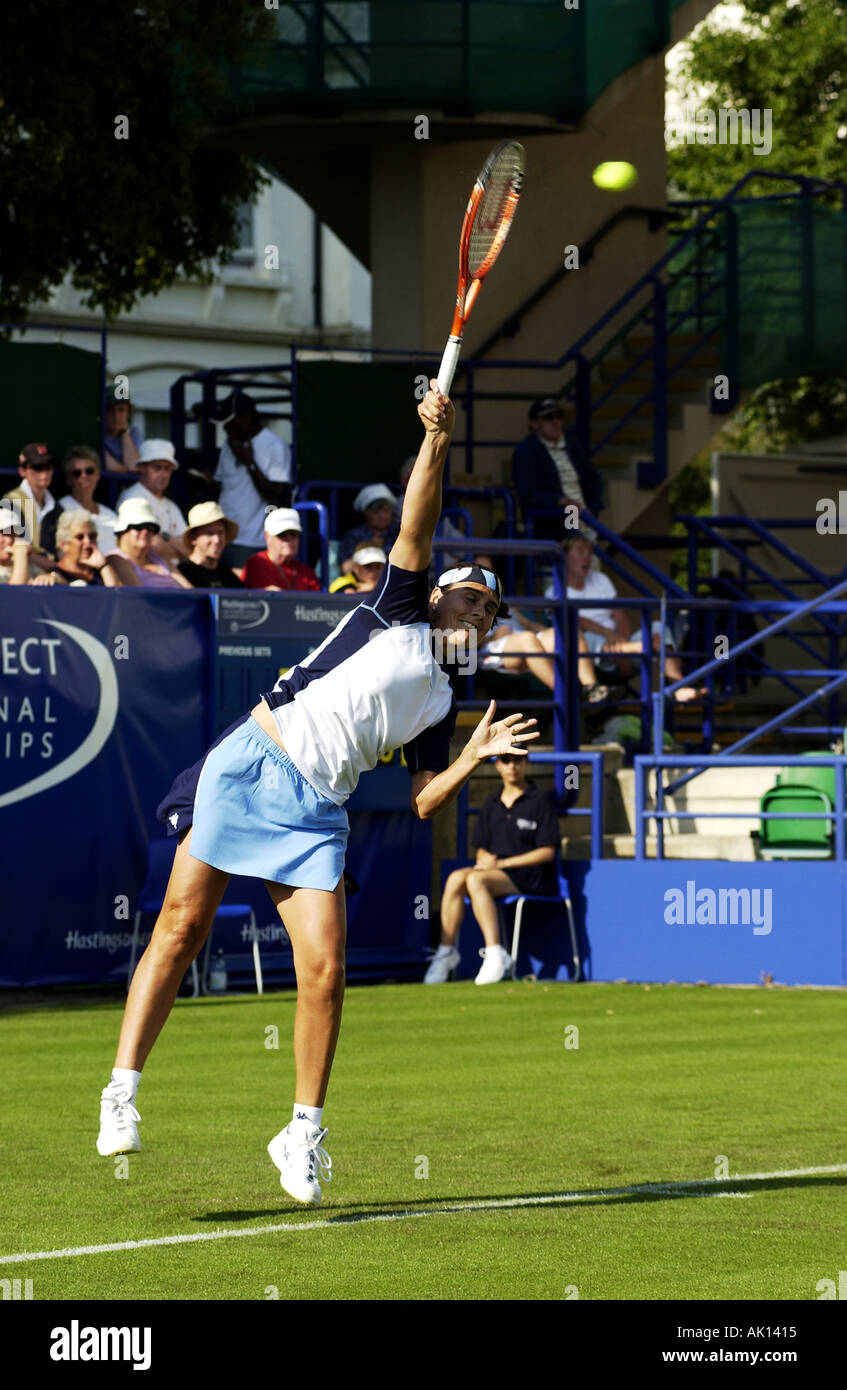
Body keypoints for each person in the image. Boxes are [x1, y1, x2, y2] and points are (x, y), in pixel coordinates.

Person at [95, 380, 539, 1210]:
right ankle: (121, 1090)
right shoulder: (396, 604)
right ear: (438, 592)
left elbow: (419, 801)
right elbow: (417, 517)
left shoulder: (444, 701)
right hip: (255, 763)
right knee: (182, 927)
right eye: (470, 594)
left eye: (491, 609)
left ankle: (300, 1132)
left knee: (326, 973)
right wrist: (435, 439)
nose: (480, 610)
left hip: (315, 813)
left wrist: (474, 753)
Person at [426, 752, 560, 985]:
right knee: (457, 877)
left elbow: (548, 852)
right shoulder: (491, 803)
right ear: (498, 766)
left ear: (526, 763)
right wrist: (486, 861)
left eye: (518, 760)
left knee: (476, 881)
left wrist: (502, 864)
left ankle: (496, 952)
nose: (512, 766)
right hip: (496, 873)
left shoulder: (541, 800)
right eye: (506, 761)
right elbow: (481, 849)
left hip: (533, 877)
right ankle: (446, 952)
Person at [214, 391, 293, 566]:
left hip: (251, 541)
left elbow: (275, 496)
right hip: (221, 537)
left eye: (229, 423)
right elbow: (221, 485)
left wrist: (250, 464)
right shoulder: (230, 444)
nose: (225, 429)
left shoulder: (275, 446)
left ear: (247, 418)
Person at [512, 397, 603, 541]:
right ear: (534, 423)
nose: (556, 422)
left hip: (585, 519)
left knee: (590, 558)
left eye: (559, 417)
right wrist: (560, 501)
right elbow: (527, 494)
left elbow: (595, 481)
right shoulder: (526, 451)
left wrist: (593, 508)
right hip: (554, 525)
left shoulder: (573, 446)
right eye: (548, 418)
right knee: (576, 549)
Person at [117, 441, 188, 565]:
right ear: (142, 468)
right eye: (157, 468)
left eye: (167, 469)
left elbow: (189, 548)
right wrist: (175, 548)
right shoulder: (133, 498)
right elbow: (152, 546)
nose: (163, 474)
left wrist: (165, 538)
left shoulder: (171, 506)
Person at [107, 499, 193, 589]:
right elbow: (138, 597)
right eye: (138, 527)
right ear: (122, 532)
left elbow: (190, 592)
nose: (145, 532)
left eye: (150, 528)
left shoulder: (160, 559)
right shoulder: (116, 559)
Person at [52, 446, 119, 555]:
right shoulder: (61, 509)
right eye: (77, 473)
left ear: (98, 475)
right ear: (69, 479)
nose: (84, 476)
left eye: (89, 471)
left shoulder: (110, 514)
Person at [241, 508, 321, 591]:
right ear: (267, 536)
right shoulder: (257, 563)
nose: (288, 539)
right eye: (281, 534)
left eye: (293, 534)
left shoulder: (307, 573)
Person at [49, 509, 132, 587]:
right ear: (64, 544)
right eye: (80, 537)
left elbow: (118, 596)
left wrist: (103, 566)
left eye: (92, 536)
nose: (88, 541)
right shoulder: (55, 574)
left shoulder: (100, 571)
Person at [3, 442, 58, 556]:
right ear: (22, 471)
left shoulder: (58, 507)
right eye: (37, 467)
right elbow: (10, 548)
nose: (44, 472)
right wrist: (54, 567)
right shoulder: (10, 502)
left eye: (48, 466)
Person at [177, 502, 244, 589]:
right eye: (209, 533)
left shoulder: (229, 577)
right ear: (193, 538)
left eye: (220, 533)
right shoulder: (181, 575)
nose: (217, 540)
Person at [339, 484, 399, 572]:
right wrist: (371, 548)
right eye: (376, 512)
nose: (382, 516)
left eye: (386, 511)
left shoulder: (400, 533)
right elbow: (346, 569)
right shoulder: (353, 536)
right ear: (366, 514)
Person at [103, 385, 143, 473]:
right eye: (110, 410)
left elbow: (133, 467)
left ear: (128, 412)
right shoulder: (97, 432)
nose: (116, 416)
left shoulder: (134, 433)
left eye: (121, 410)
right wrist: (124, 470)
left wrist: (124, 432)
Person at [0, 508, 44, 584]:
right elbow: (14, 593)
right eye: (4, 534)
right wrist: (20, 553)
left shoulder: (30, 566)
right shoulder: (22, 558)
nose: (9, 540)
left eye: (14, 534)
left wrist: (52, 578)